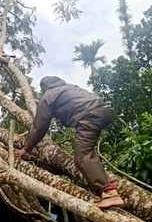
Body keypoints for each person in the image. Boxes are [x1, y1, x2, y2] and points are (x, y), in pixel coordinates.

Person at [17, 76, 124, 209]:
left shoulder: (48, 96)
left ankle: (109, 194)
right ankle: (106, 186)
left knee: (82, 157)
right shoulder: (70, 88)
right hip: (102, 110)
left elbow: (39, 127)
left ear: (44, 87)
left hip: (89, 117)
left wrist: (26, 149)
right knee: (86, 150)